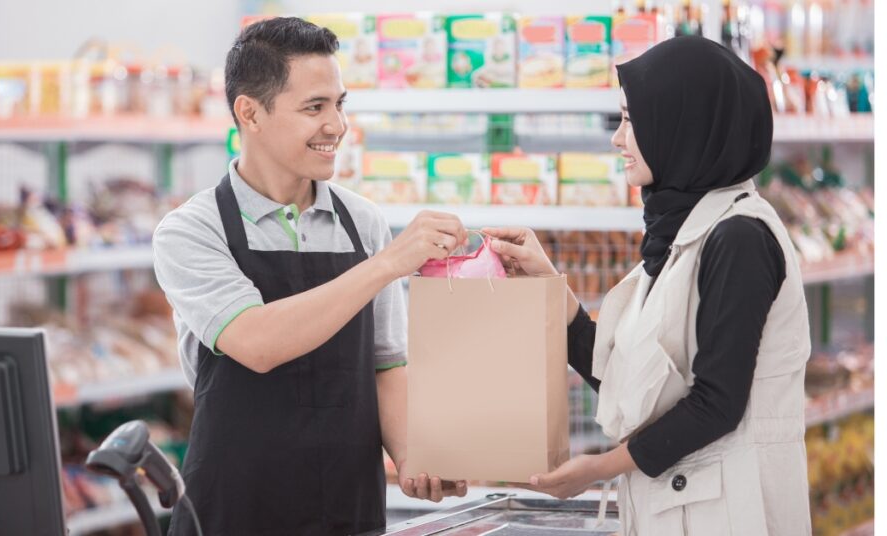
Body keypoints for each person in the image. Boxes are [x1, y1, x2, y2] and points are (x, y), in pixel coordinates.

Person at [484, 36, 811, 535]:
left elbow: (718, 404)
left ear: (683, 125)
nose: (618, 139)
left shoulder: (739, 238)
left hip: (731, 514)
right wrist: (547, 283)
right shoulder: (683, 232)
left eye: (630, 120)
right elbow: (631, 385)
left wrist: (598, 468)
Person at [153, 17, 468, 535]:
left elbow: (387, 364)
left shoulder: (361, 222)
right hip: (235, 507)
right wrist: (385, 264)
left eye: (340, 104)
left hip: (346, 505)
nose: (337, 125)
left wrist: (413, 457)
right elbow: (257, 342)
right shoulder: (193, 230)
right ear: (250, 113)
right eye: (314, 107)